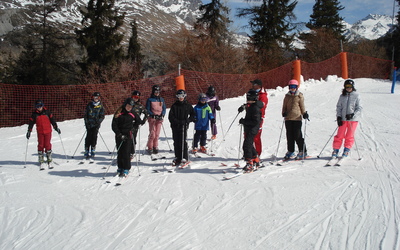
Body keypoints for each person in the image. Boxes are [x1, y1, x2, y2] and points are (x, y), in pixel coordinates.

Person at [332, 79, 362, 158]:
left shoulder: (356, 95)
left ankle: (346, 149)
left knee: (349, 135)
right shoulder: (342, 96)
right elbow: (339, 107)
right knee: (339, 135)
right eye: (347, 86)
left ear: (353, 87)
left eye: (350, 86)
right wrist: (338, 116)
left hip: (353, 120)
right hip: (343, 119)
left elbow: (359, 108)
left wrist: (353, 115)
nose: (348, 88)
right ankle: (336, 149)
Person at [26, 99, 61, 168]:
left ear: (43, 106)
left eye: (40, 106)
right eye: (37, 106)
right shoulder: (34, 114)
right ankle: (41, 157)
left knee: (47, 144)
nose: (39, 108)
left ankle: (49, 157)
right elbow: (31, 123)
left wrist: (56, 127)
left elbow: (52, 120)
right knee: (41, 144)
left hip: (48, 131)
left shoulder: (47, 112)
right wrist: (29, 131)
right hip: (40, 132)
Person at [238, 79, 268, 157]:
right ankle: (248, 153)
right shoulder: (251, 92)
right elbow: (250, 103)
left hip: (257, 118)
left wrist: (253, 105)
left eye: (254, 84)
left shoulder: (262, 95)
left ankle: (257, 154)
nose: (252, 86)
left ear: (259, 85)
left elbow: (261, 106)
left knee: (256, 137)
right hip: (249, 116)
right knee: (247, 136)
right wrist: (244, 106)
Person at [281, 79, 309, 160]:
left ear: (296, 87)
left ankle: (302, 150)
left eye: (294, 87)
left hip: (297, 118)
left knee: (297, 135)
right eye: (290, 87)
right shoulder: (287, 96)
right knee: (289, 136)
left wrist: (304, 113)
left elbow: (302, 106)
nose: (292, 89)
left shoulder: (299, 96)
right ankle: (290, 150)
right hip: (288, 118)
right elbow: (284, 106)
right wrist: (284, 113)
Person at [112, 98, 140, 177]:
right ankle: (120, 167)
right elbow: (114, 125)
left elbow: (138, 121)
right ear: (125, 105)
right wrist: (119, 134)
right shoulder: (119, 113)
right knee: (120, 152)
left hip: (128, 134)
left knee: (126, 152)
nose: (129, 108)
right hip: (119, 135)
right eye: (128, 106)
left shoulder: (132, 113)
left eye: (130, 107)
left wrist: (134, 128)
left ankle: (126, 168)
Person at [168, 89, 195, 166]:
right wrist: (177, 122)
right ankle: (178, 157)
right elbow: (171, 117)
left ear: (184, 96)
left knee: (183, 141)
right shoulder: (174, 106)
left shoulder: (187, 105)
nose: (181, 98)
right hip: (176, 126)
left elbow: (193, 114)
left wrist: (188, 120)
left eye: (182, 96)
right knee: (176, 141)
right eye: (179, 96)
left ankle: (185, 157)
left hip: (184, 126)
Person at [239, 89, 263, 172]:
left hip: (253, 129)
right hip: (249, 128)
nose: (247, 100)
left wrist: (244, 121)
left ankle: (249, 163)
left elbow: (255, 121)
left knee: (246, 145)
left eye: (249, 98)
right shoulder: (251, 106)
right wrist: (243, 107)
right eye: (247, 98)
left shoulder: (255, 108)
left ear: (254, 99)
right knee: (249, 144)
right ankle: (256, 159)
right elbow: (247, 107)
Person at [146, 85, 166, 155]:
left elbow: (164, 108)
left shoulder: (161, 100)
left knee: (157, 134)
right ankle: (150, 147)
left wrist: (162, 114)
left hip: (159, 119)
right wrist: (152, 115)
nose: (157, 93)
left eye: (158, 91)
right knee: (152, 134)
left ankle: (155, 146)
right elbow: (147, 109)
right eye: (155, 92)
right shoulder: (150, 100)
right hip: (152, 119)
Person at [83, 92, 105, 159]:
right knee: (88, 136)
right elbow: (85, 115)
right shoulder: (89, 105)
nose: (96, 99)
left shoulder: (100, 106)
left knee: (94, 136)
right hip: (89, 124)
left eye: (97, 98)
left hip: (96, 124)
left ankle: (93, 148)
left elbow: (102, 116)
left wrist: (98, 122)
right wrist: (87, 123)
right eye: (94, 97)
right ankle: (87, 149)